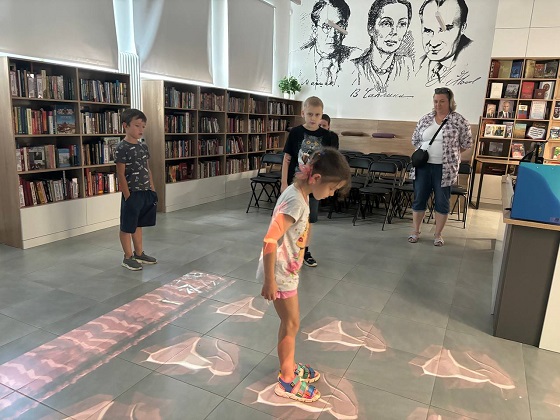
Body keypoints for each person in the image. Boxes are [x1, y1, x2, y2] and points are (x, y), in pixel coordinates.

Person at [258, 148, 350, 402]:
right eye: (331, 189)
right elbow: (270, 240)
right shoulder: (295, 201)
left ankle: (289, 365)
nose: (331, 194)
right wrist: (270, 280)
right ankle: (287, 380)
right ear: (316, 178)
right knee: (291, 324)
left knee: (292, 323)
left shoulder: (300, 193)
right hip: (280, 273)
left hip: (287, 270)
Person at [408, 87, 472, 246]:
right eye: (436, 101)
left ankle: (438, 235)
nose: (438, 104)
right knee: (419, 199)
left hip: (445, 169)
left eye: (442, 101)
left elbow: (466, 144)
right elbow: (415, 140)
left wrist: (451, 154)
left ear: (450, 102)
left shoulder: (459, 121)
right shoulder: (425, 119)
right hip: (423, 167)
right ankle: (415, 232)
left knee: (442, 202)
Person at [282, 96, 336, 267]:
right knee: (291, 218)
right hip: (295, 184)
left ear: (322, 115)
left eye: (317, 115)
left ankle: (304, 250)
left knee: (309, 220)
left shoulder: (327, 136)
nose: (313, 118)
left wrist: (327, 186)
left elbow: (329, 163)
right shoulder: (295, 133)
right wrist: (283, 183)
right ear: (303, 113)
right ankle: (288, 251)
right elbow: (287, 158)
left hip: (313, 186)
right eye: (310, 114)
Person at [115, 109, 158, 270]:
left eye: (143, 126)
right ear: (125, 126)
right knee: (127, 226)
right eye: (137, 125)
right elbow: (120, 174)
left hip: (145, 192)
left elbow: (147, 169)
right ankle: (127, 257)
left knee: (138, 224)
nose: (141, 129)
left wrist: (152, 189)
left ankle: (139, 253)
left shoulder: (143, 147)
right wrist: (128, 196)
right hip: (132, 194)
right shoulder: (122, 147)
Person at [351, 0, 414, 92]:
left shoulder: (407, 65)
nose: (394, 32)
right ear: (371, 28)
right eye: (386, 23)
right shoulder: (353, 69)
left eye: (402, 24)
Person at [301, 0, 355, 85]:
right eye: (326, 27)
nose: (332, 35)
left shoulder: (356, 61)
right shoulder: (300, 60)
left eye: (339, 27)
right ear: (315, 30)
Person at [417, 0, 472, 84]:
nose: (434, 43)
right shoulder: (413, 65)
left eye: (444, 30)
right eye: (428, 30)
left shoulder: (475, 63)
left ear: (462, 28)